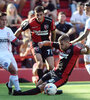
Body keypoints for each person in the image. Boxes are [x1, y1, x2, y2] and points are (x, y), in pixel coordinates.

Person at [13, 34, 90, 95]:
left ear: (67, 43)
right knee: (39, 82)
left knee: (43, 86)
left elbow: (86, 52)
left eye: (62, 44)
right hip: (55, 71)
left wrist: (88, 49)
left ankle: (22, 94)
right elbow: (50, 43)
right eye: (59, 44)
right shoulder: (61, 46)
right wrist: (42, 43)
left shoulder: (74, 49)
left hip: (62, 77)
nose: (60, 46)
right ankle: (54, 91)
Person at [15, 6, 56, 80]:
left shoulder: (49, 21)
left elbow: (53, 32)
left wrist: (52, 43)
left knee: (51, 66)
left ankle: (50, 82)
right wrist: (13, 40)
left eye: (41, 15)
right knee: (40, 63)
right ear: (35, 14)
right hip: (35, 44)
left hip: (46, 44)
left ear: (43, 14)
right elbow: (19, 31)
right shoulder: (30, 22)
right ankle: (41, 83)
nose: (39, 17)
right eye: (37, 15)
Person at [0, 12, 23, 95]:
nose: (4, 22)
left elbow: (15, 41)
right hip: (1, 56)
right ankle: (18, 90)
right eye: (2, 20)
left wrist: (22, 42)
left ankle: (9, 85)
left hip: (9, 54)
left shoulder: (8, 30)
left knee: (15, 72)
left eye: (5, 20)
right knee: (13, 70)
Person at [71, 2, 90, 74]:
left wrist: (74, 41)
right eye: (85, 9)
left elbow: (85, 34)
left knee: (88, 64)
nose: (85, 11)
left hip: (89, 45)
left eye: (87, 9)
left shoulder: (89, 21)